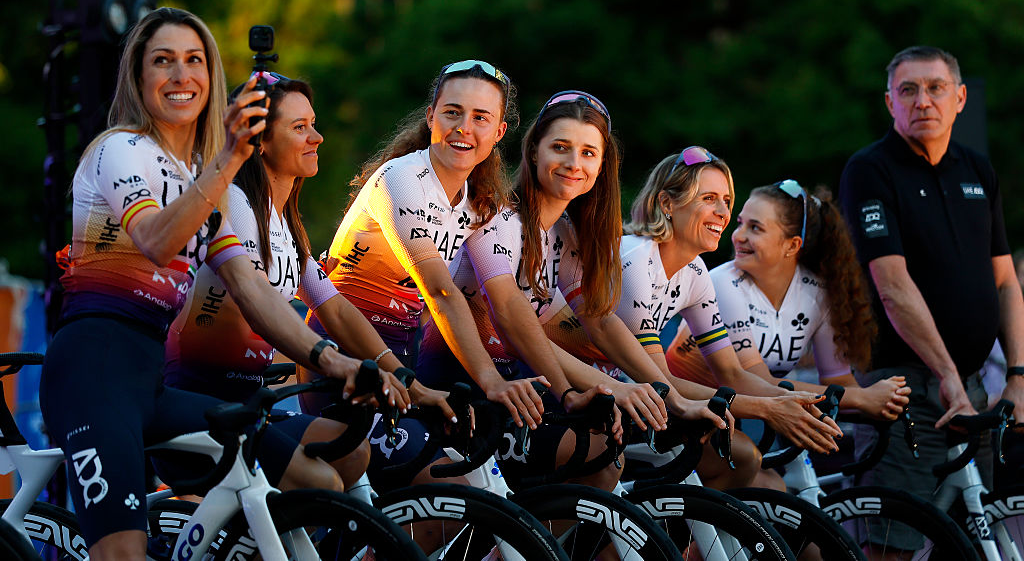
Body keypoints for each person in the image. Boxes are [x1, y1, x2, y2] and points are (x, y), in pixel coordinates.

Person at [39, 8, 370, 561]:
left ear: (211, 78)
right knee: (121, 553)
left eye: (194, 60)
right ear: (138, 77)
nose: (180, 75)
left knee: (314, 484)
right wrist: (229, 157)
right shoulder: (118, 148)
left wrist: (336, 362)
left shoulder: (199, 178)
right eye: (162, 61)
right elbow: (156, 240)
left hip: (153, 386)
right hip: (94, 372)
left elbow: (251, 289)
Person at [417, 90, 701, 490]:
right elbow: (514, 323)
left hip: (515, 389)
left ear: (602, 165)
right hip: (456, 387)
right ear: (534, 152)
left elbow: (601, 324)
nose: (573, 164)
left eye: (588, 153)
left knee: (605, 463)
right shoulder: (497, 218)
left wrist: (670, 395)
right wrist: (611, 388)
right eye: (561, 148)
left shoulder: (564, 234)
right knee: (589, 452)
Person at [164, 71, 410, 489]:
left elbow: (334, 307)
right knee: (320, 485)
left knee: (353, 453)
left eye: (313, 124)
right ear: (260, 141)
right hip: (201, 402)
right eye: (300, 128)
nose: (317, 137)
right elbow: (258, 300)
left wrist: (400, 374)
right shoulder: (236, 205)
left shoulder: (284, 222)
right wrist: (333, 360)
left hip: (248, 403)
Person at [303, 60, 545, 481]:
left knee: (468, 490)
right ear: (431, 116)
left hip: (402, 365)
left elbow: (505, 299)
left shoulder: (476, 201)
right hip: (346, 361)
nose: (463, 128)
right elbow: (440, 292)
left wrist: (560, 386)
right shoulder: (402, 177)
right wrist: (489, 379)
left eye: (480, 118)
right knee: (450, 488)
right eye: (452, 112)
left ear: (499, 133)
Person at [543, 148, 842, 485]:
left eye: (727, 200)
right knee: (612, 469)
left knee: (741, 458)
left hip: (612, 388)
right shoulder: (637, 261)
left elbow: (730, 372)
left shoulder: (695, 272)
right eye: (709, 198)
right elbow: (661, 383)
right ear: (667, 204)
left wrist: (791, 401)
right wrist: (768, 409)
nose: (723, 212)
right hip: (554, 383)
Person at [839, 45, 1024, 554]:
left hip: (968, 387)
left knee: (972, 531)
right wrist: (945, 375)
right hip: (901, 387)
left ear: (960, 98)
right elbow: (893, 287)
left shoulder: (978, 170)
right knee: (890, 546)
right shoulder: (870, 170)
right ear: (889, 102)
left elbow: (1006, 281)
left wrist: (1018, 376)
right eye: (909, 90)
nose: (924, 101)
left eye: (936, 88)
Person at [665, 180, 911, 420]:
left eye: (755, 228)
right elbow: (757, 383)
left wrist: (888, 398)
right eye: (740, 224)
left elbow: (838, 382)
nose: (738, 236)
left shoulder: (818, 293)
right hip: (683, 409)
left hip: (740, 412)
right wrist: (863, 399)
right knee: (752, 461)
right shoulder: (722, 282)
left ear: (792, 245)